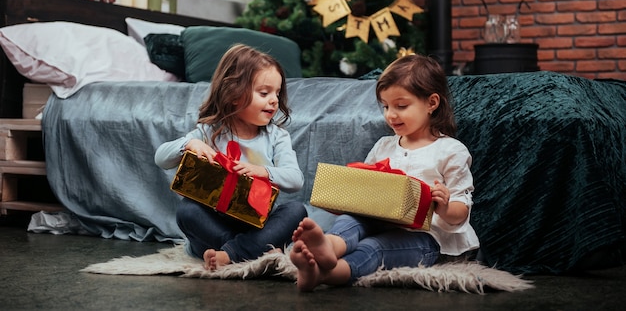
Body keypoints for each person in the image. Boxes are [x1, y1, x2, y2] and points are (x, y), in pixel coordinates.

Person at [290, 54, 480, 291]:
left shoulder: (450, 150)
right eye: (386, 106)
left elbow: (461, 212)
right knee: (351, 220)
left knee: (375, 247)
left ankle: (324, 273)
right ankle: (328, 246)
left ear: (432, 103)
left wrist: (444, 206)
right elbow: (366, 194)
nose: (391, 114)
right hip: (379, 221)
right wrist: (343, 200)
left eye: (401, 106)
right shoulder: (384, 146)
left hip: (427, 238)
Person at [155, 44, 307, 271]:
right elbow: (161, 158)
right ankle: (255, 251)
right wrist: (190, 144)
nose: (274, 100)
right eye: (264, 93)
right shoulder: (210, 130)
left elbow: (296, 180)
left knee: (297, 211)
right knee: (187, 211)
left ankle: (230, 253)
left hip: (256, 223)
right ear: (234, 94)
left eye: (277, 93)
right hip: (214, 222)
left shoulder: (277, 137)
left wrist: (262, 171)